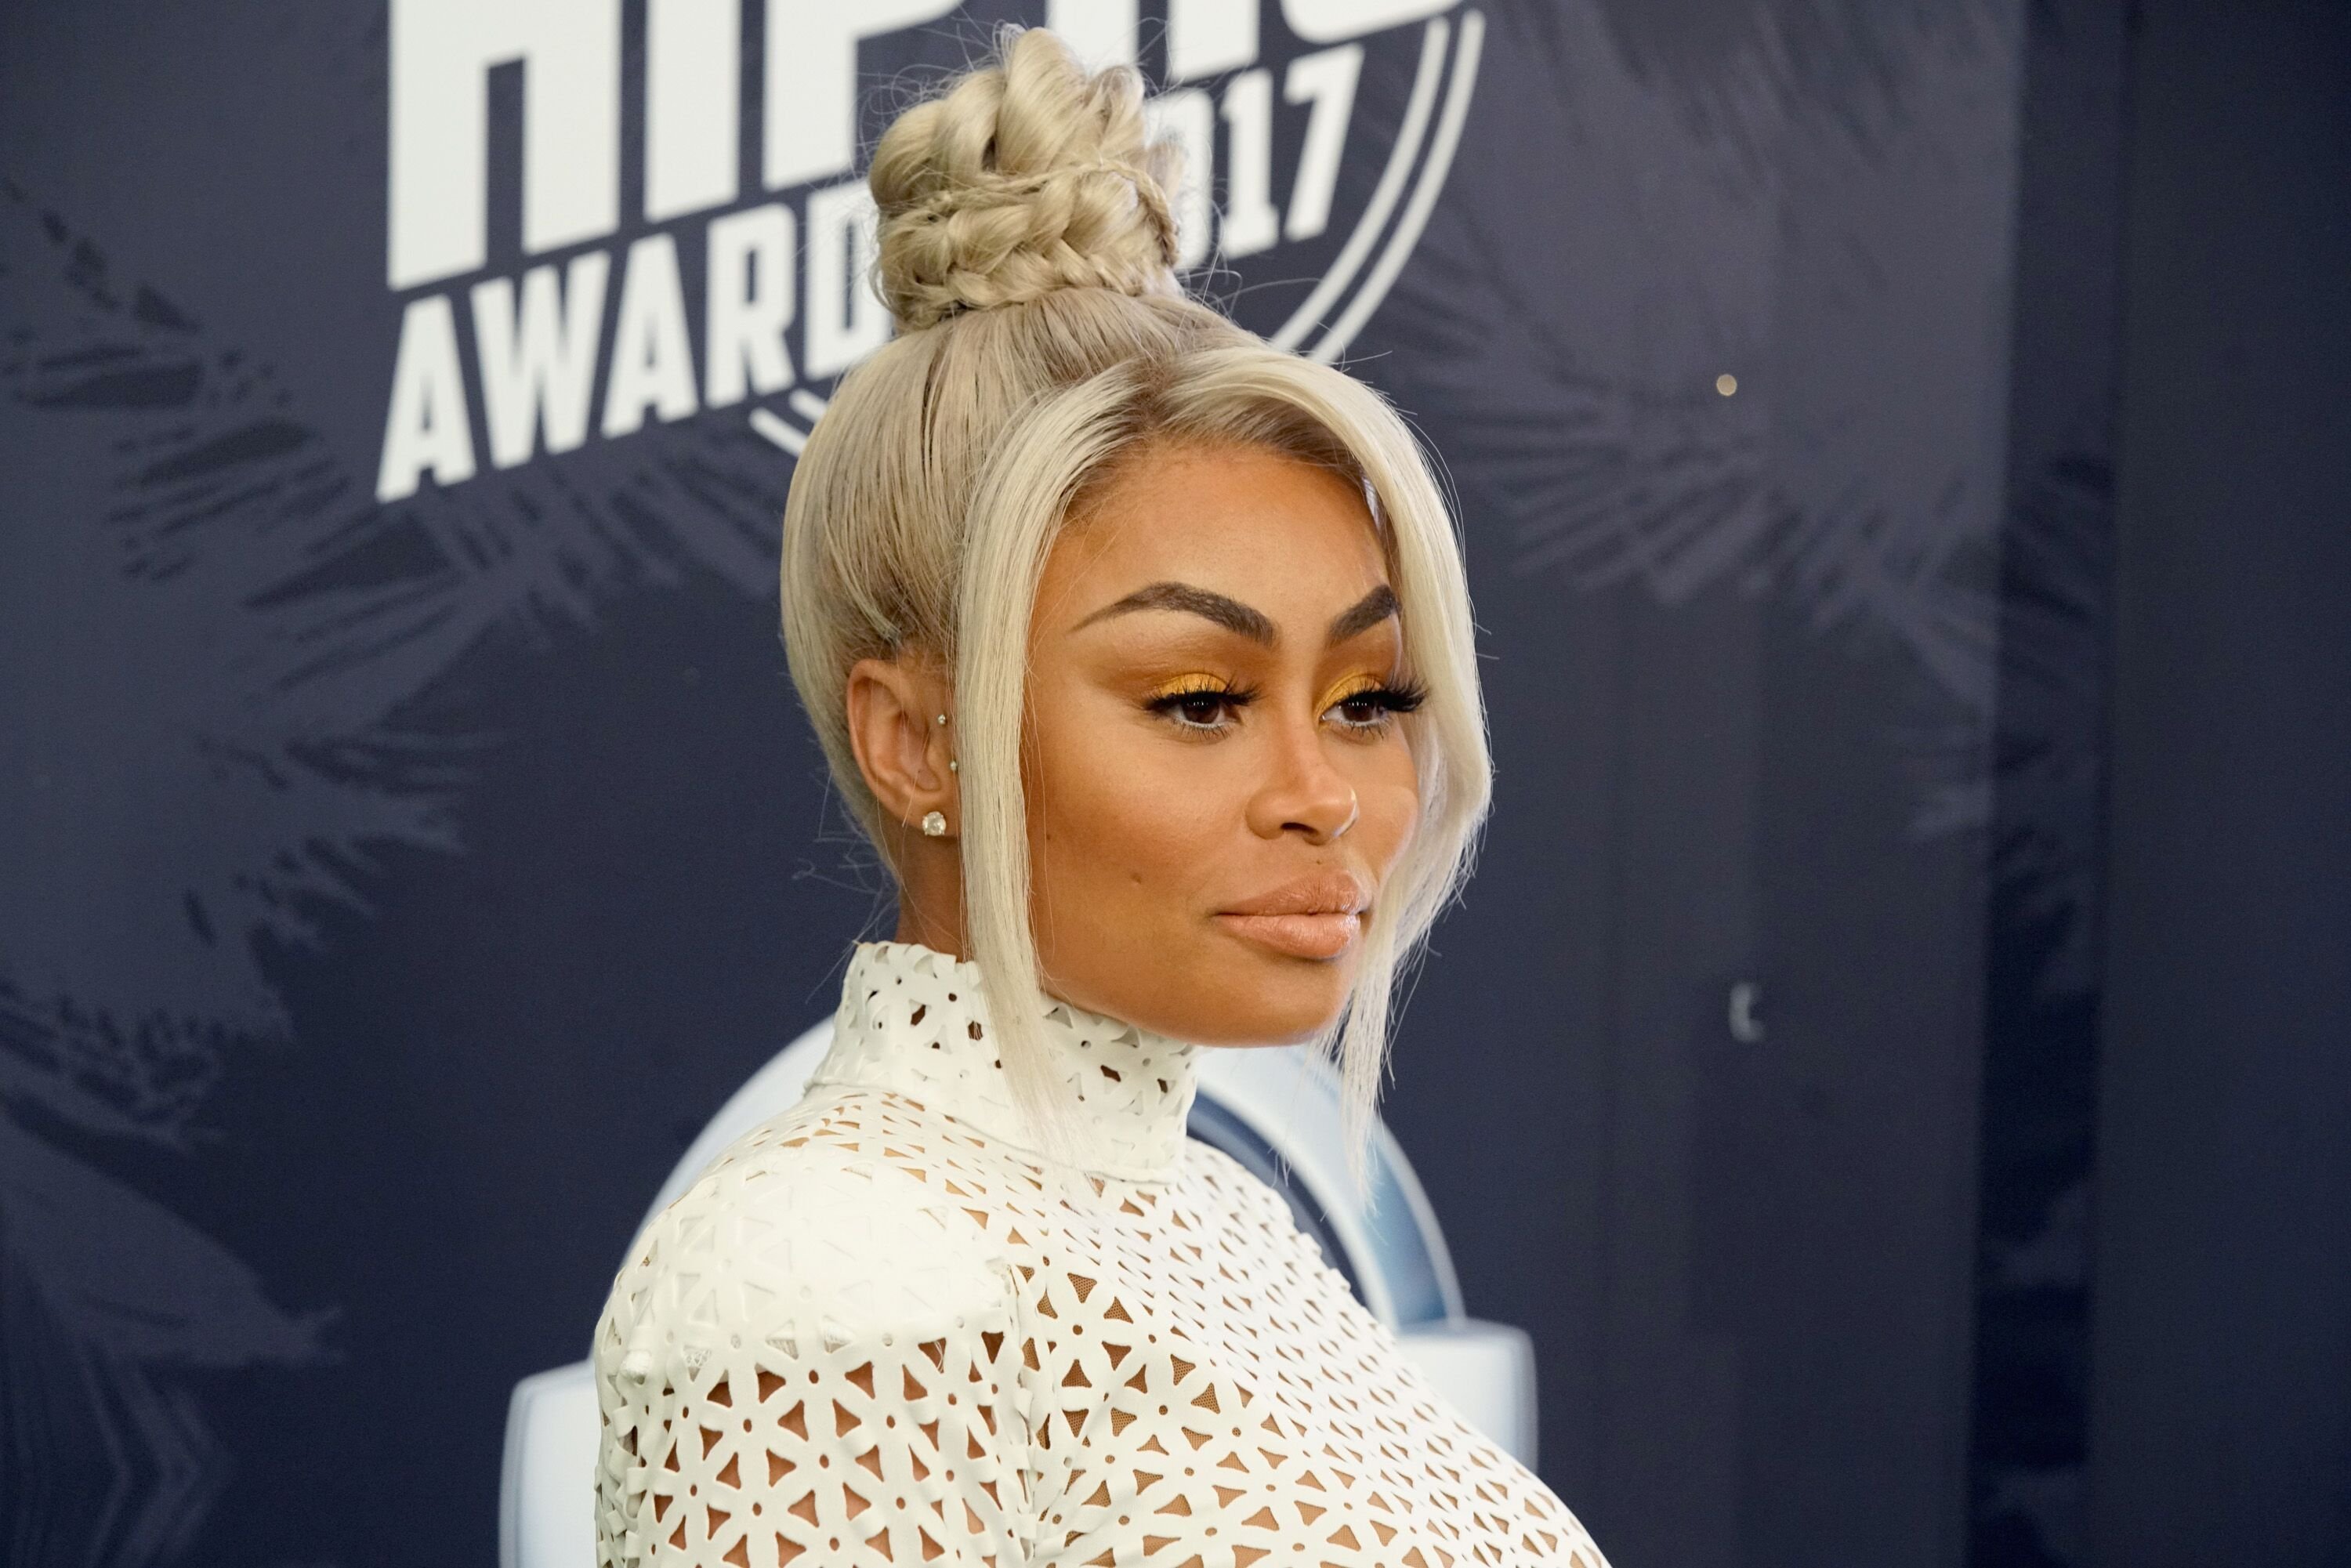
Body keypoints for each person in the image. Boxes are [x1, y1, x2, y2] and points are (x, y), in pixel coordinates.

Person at [591, 26, 1608, 1567]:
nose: (1323, 793)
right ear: (917, 741)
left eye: (1367, 699)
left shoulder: (1237, 1234)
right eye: (1198, 699)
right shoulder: (818, 1265)